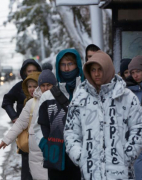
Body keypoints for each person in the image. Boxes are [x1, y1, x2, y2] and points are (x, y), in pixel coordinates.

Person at [64, 51, 142, 180]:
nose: (96, 74)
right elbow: (70, 131)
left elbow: (139, 127)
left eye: (100, 69)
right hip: (91, 174)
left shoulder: (126, 97)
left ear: (108, 69)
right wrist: (81, 157)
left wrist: (127, 156)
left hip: (121, 173)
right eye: (93, 70)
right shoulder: (80, 97)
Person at [0, 64, 56, 180]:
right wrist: (7, 139)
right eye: (43, 85)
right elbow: (20, 123)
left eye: (48, 85)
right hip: (36, 153)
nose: (45, 88)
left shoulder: (60, 101)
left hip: (55, 148)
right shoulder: (32, 103)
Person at [34, 49, 84, 180]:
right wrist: (45, 145)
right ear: (58, 66)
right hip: (56, 157)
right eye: (63, 64)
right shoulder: (48, 96)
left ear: (77, 65)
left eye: (70, 64)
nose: (67, 68)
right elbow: (39, 126)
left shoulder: (87, 93)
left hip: (83, 158)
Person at [1, 59, 41, 180]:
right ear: (24, 73)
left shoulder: (44, 86)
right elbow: (6, 101)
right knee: (27, 168)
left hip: (41, 135)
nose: (32, 73)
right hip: (25, 134)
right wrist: (14, 117)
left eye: (34, 71)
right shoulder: (19, 87)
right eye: (29, 71)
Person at [126, 55, 142, 180]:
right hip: (137, 134)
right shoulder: (130, 91)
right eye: (132, 73)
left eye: (138, 71)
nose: (135, 75)